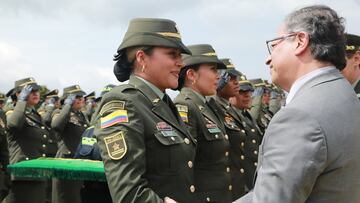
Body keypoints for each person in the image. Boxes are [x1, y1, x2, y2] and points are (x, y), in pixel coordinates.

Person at [236, 5, 360, 202]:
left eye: (274, 45)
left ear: (301, 41)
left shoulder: (301, 116)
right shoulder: (344, 95)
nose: (268, 58)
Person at [93, 18, 197, 203]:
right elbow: (128, 193)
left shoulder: (164, 103)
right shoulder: (123, 103)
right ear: (142, 58)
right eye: (172, 54)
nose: (181, 62)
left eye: (180, 55)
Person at [174, 44, 232, 203]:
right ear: (192, 75)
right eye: (213, 69)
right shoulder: (185, 106)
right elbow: (185, 165)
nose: (218, 76)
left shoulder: (205, 106)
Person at [5, 77, 50, 203]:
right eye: (30, 91)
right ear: (19, 94)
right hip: (22, 174)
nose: (36, 93)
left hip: (37, 173)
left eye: (37, 90)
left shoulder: (35, 114)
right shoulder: (11, 112)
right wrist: (22, 101)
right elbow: (13, 124)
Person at [211, 58, 248, 200]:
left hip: (237, 184)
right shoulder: (214, 107)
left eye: (236, 78)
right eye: (230, 78)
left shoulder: (229, 109)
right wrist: (215, 89)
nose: (236, 82)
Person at [51, 85, 88, 203]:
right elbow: (56, 125)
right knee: (64, 197)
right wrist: (67, 105)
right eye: (76, 97)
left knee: (76, 197)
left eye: (81, 97)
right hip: (65, 162)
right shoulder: (59, 112)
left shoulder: (81, 115)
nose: (80, 99)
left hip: (78, 162)